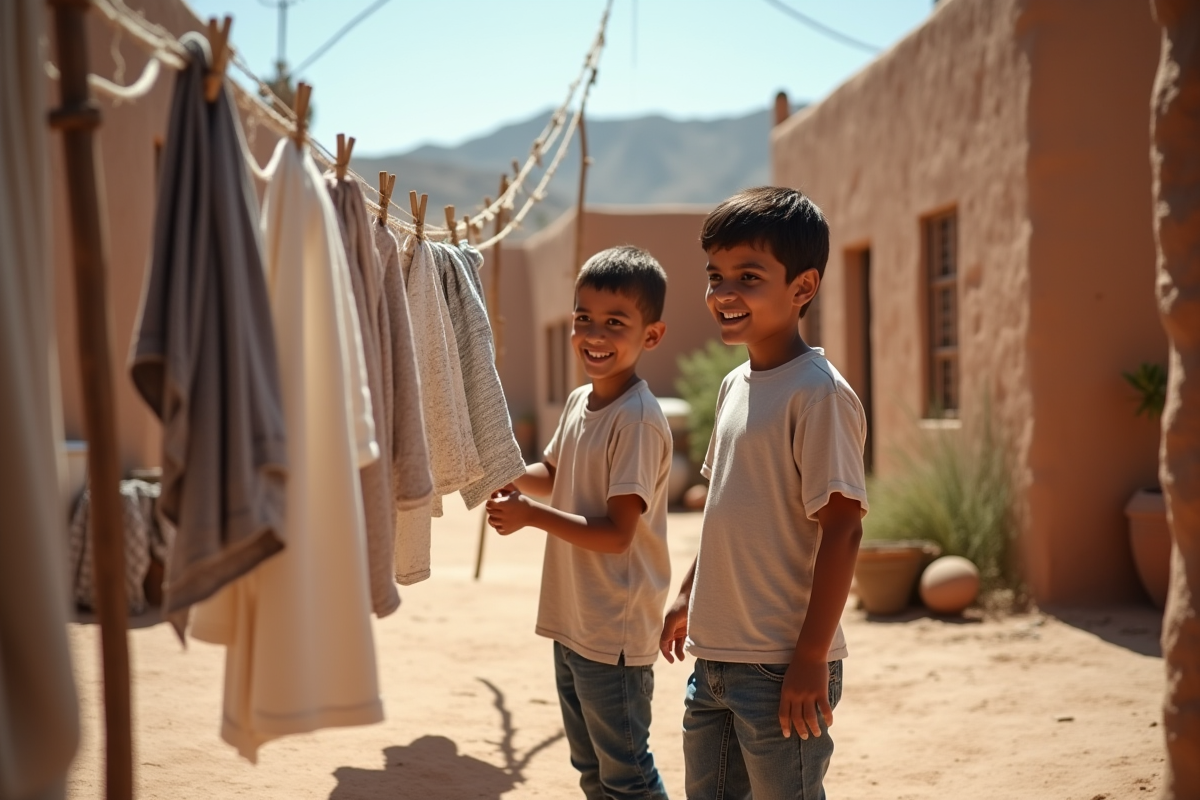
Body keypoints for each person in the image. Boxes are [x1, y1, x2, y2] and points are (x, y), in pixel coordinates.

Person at [660, 186, 868, 799]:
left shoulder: (819, 394)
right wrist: (687, 592)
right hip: (715, 659)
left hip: (781, 667)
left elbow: (844, 530)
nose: (725, 293)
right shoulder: (733, 386)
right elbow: (727, 511)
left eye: (748, 277)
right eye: (715, 276)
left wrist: (810, 657)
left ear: (802, 288)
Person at [486, 245, 673, 800]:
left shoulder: (637, 421)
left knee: (626, 773)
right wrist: (503, 474)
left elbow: (618, 534)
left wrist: (530, 517)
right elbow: (553, 472)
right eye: (583, 319)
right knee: (591, 767)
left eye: (615, 322)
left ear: (652, 336)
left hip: (612, 628)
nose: (595, 334)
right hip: (573, 619)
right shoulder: (577, 403)